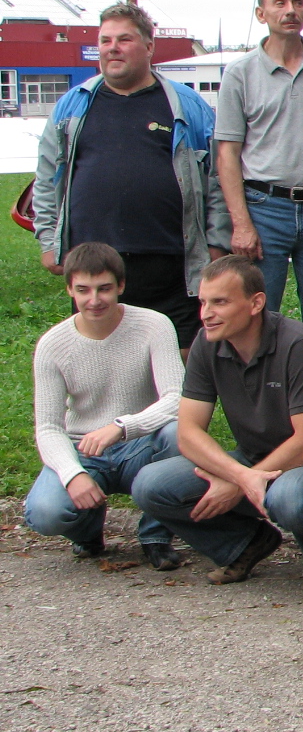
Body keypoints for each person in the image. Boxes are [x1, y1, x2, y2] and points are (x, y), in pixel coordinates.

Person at [131, 256, 303, 588]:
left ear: (255, 303)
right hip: (250, 459)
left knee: (290, 497)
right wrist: (241, 476)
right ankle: (243, 544)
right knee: (151, 485)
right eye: (203, 302)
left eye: (219, 302)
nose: (206, 313)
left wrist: (238, 483)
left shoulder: (298, 344)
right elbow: (188, 432)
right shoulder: (207, 343)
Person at [33, 2, 229, 351]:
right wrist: (49, 241)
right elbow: (48, 176)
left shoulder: (186, 105)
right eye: (105, 40)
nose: (113, 48)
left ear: (149, 46)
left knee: (179, 363)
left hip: (172, 263)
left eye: (124, 39)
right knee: (101, 360)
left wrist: (216, 242)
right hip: (95, 264)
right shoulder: (73, 106)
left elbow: (216, 177)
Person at [214, 0, 303, 385]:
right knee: (256, 318)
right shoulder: (240, 74)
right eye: (280, 2)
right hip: (263, 209)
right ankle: (262, 408)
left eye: (298, 1)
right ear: (261, 13)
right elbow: (227, 152)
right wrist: (240, 223)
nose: (290, 10)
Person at [26, 242, 185, 570]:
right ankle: (87, 532)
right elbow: (49, 427)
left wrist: (122, 427)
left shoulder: (154, 325)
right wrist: (73, 475)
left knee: (178, 433)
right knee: (45, 512)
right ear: (69, 289)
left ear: (121, 286)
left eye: (104, 289)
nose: (94, 300)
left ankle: (156, 536)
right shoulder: (52, 345)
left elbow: (177, 399)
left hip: (140, 444)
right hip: (83, 449)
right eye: (83, 290)